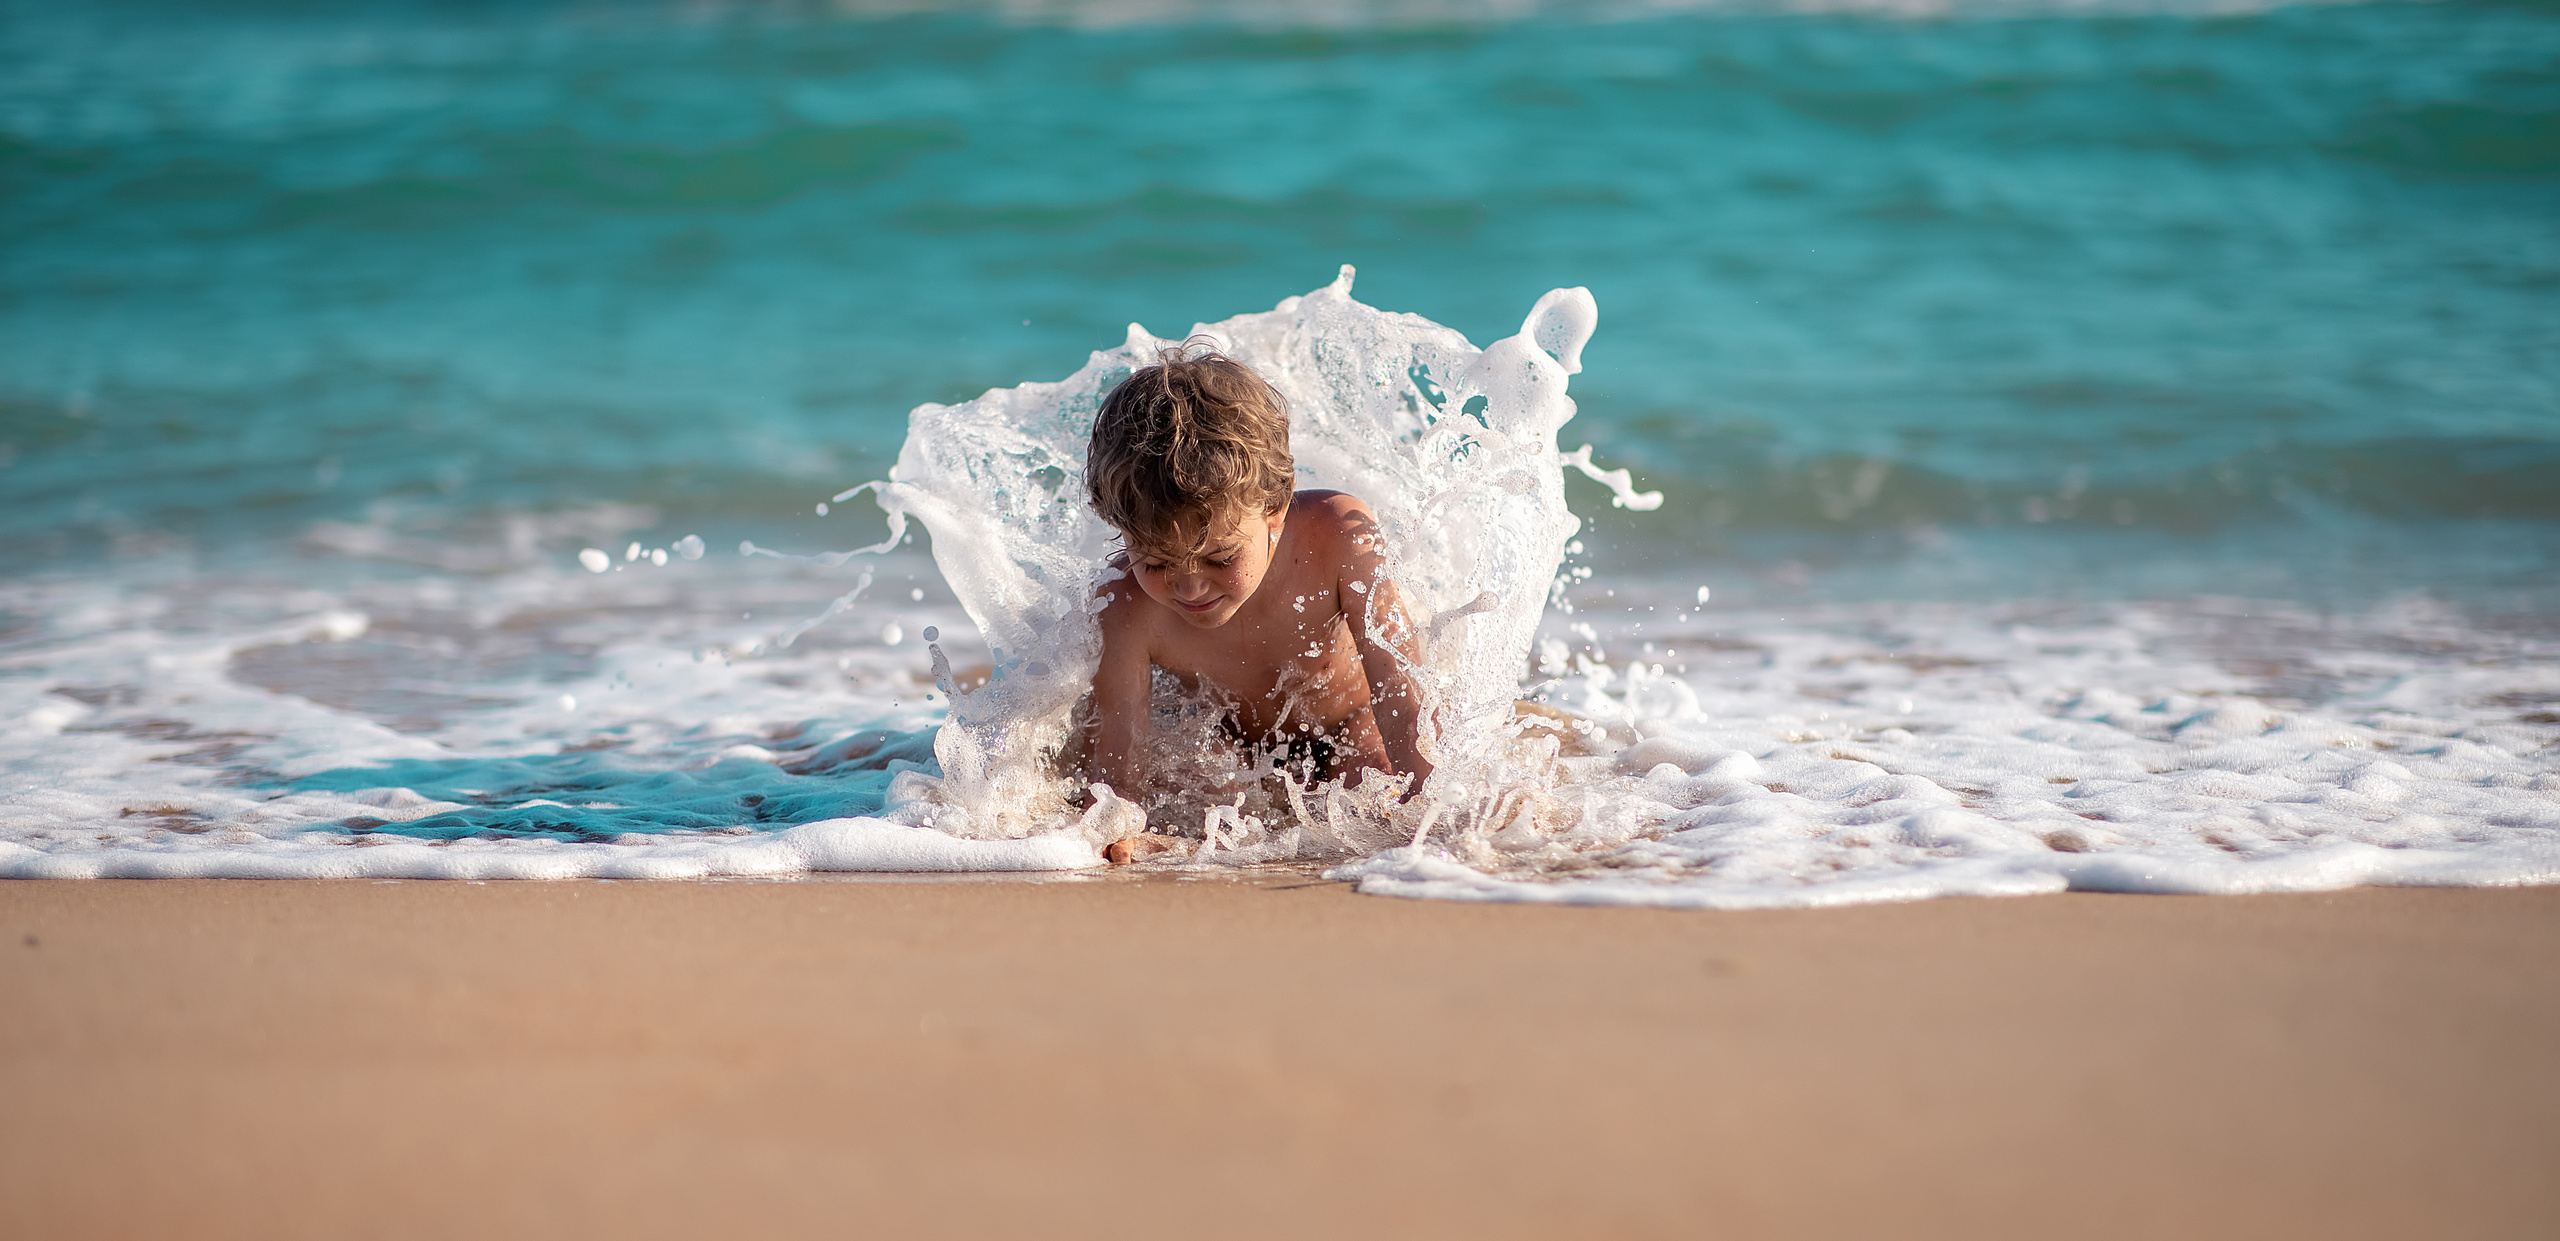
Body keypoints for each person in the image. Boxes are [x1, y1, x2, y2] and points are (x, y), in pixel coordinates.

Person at [1083, 343, 1433, 863]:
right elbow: (1118, 766)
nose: (1189, 588)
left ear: (1275, 505)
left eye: (1219, 557)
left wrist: (1439, 812)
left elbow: (1404, 699)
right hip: (1223, 743)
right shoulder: (1125, 604)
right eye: (1155, 563)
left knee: (1376, 796)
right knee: (1199, 797)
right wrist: (1112, 830)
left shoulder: (1338, 536)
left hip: (1348, 723)